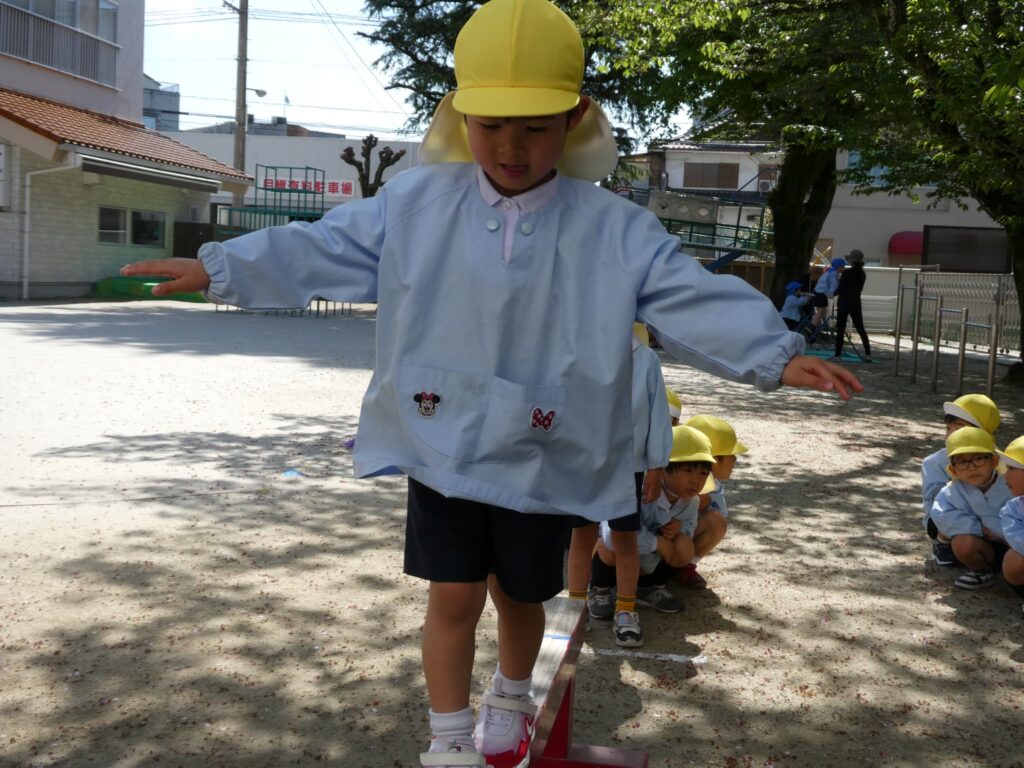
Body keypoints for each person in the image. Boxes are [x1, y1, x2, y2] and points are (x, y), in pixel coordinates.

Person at [120, 1, 861, 764]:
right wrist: (217, 265)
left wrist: (773, 354)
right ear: (460, 114)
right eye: (491, 124)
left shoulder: (614, 228)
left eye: (535, 126)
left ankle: (510, 695)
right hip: (442, 437)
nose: (511, 145)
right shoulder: (415, 204)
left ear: (575, 117)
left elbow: (686, 293)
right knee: (451, 593)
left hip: (543, 445)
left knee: (520, 594)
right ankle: (447, 738)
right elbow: (321, 247)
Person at [567, 324, 671, 647]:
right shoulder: (578, 352)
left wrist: (656, 465)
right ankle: (575, 609)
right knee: (582, 535)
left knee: (626, 539)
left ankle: (626, 610)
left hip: (629, 466)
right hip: (585, 463)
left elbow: (657, 413)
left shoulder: (646, 360)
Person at [594, 425, 713, 625]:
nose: (696, 480)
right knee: (609, 543)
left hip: (648, 562)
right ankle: (600, 588)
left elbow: (690, 527)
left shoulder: (690, 501)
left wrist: (679, 529)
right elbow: (614, 533)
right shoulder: (641, 491)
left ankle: (649, 587)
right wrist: (657, 543)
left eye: (703, 473)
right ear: (663, 469)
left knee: (685, 546)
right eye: (688, 470)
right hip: (620, 556)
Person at [921, 394, 1001, 567]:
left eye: (960, 429)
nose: (951, 435)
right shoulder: (934, 462)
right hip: (952, 521)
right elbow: (937, 507)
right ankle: (944, 546)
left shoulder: (998, 461)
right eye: (948, 428)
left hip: (995, 524)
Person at [930, 427, 1012, 590]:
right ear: (953, 470)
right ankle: (982, 571)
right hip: (982, 544)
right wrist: (979, 529)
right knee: (962, 544)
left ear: (994, 461)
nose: (971, 467)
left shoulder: (1010, 486)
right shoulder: (951, 492)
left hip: (1013, 544)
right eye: (962, 462)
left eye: (978, 459)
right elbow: (942, 516)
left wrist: (999, 533)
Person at [676, 415, 748, 590]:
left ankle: (685, 566)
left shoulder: (713, 486)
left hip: (682, 540)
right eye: (731, 455)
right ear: (713, 460)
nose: (735, 460)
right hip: (659, 540)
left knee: (716, 522)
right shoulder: (675, 479)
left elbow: (719, 516)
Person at [998, 437, 1024, 613]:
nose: (1005, 475)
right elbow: (1015, 537)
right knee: (1013, 560)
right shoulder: (1013, 509)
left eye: (1012, 468)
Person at [831, 249, 872, 362]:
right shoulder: (862, 274)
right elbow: (859, 289)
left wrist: (832, 294)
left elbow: (841, 288)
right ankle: (868, 353)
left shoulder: (846, 273)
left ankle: (837, 355)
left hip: (844, 302)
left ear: (852, 261)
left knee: (840, 329)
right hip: (855, 302)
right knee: (860, 328)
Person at [808, 257, 846, 334]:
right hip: (822, 293)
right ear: (839, 267)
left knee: (823, 310)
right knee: (820, 311)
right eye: (843, 266)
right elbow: (833, 285)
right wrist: (831, 294)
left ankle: (818, 326)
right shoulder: (833, 274)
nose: (844, 268)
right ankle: (811, 327)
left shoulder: (829, 272)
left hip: (819, 292)